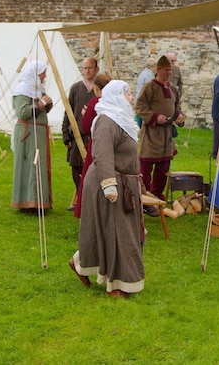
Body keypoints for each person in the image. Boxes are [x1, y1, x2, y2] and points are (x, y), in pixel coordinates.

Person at [69, 80, 145, 298]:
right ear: (116, 96)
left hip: (124, 183)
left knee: (116, 232)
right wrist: (109, 185)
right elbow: (102, 153)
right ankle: (117, 285)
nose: (131, 97)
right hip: (108, 181)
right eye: (128, 94)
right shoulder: (106, 120)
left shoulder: (123, 120)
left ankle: (81, 263)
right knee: (117, 234)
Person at [134, 55, 186, 207]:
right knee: (146, 166)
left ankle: (157, 195)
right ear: (158, 70)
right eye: (166, 70)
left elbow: (176, 108)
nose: (169, 73)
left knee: (163, 168)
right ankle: (144, 197)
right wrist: (155, 117)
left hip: (167, 135)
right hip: (151, 134)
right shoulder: (149, 87)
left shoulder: (173, 89)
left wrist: (179, 116)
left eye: (170, 70)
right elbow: (140, 107)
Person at [11, 60, 54, 212]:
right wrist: (41, 104)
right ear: (35, 74)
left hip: (37, 133)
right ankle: (28, 203)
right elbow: (23, 112)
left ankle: (38, 202)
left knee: (39, 166)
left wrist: (46, 103)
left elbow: (42, 109)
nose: (45, 76)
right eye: (43, 73)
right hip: (27, 134)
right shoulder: (22, 90)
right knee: (30, 166)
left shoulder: (37, 90)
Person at [74, 73, 112, 219]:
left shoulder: (95, 103)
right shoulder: (117, 103)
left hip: (97, 145)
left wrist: (86, 115)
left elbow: (86, 126)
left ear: (96, 87)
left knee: (92, 176)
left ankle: (88, 210)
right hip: (114, 146)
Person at [63, 57, 99, 210]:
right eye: (84, 68)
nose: (87, 71)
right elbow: (68, 111)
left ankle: (89, 201)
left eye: (90, 68)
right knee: (76, 168)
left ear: (96, 69)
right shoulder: (76, 88)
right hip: (76, 135)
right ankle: (81, 198)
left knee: (91, 169)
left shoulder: (99, 89)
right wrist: (66, 134)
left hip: (93, 136)